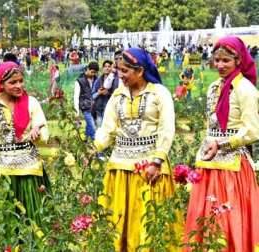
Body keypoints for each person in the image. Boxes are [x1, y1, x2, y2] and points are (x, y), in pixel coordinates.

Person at [94, 48, 177, 251]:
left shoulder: (159, 93)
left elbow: (166, 128)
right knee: (118, 220)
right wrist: (94, 146)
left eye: (125, 71)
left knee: (147, 221)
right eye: (118, 70)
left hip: (149, 168)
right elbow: (108, 127)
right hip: (120, 168)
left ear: (140, 71)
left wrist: (157, 161)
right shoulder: (117, 95)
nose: (120, 75)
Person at [185, 36, 259, 251]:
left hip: (233, 167)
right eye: (216, 60)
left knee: (229, 216)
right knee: (204, 213)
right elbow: (212, 125)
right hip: (209, 163)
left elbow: (253, 130)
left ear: (238, 60)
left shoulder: (246, 89)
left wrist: (223, 144)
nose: (219, 65)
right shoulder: (214, 87)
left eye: (225, 60)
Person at [0, 62, 49, 225]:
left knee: (31, 215)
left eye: (21, 81)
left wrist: (37, 132)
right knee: (2, 219)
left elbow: (44, 133)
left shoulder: (31, 102)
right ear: (1, 84)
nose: (19, 86)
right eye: (13, 82)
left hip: (28, 169)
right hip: (0, 168)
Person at [73, 61, 99, 140]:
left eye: (95, 73)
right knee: (93, 127)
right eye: (92, 72)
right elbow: (76, 97)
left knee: (90, 126)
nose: (93, 74)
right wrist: (76, 113)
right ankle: (97, 148)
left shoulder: (97, 79)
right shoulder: (79, 81)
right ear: (87, 69)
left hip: (95, 108)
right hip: (85, 107)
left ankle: (85, 142)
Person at [92, 60, 115, 127]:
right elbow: (92, 96)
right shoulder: (98, 80)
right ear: (103, 68)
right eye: (105, 66)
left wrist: (108, 93)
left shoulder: (115, 80)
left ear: (111, 68)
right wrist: (99, 93)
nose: (107, 68)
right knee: (100, 130)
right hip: (99, 110)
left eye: (109, 66)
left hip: (110, 111)